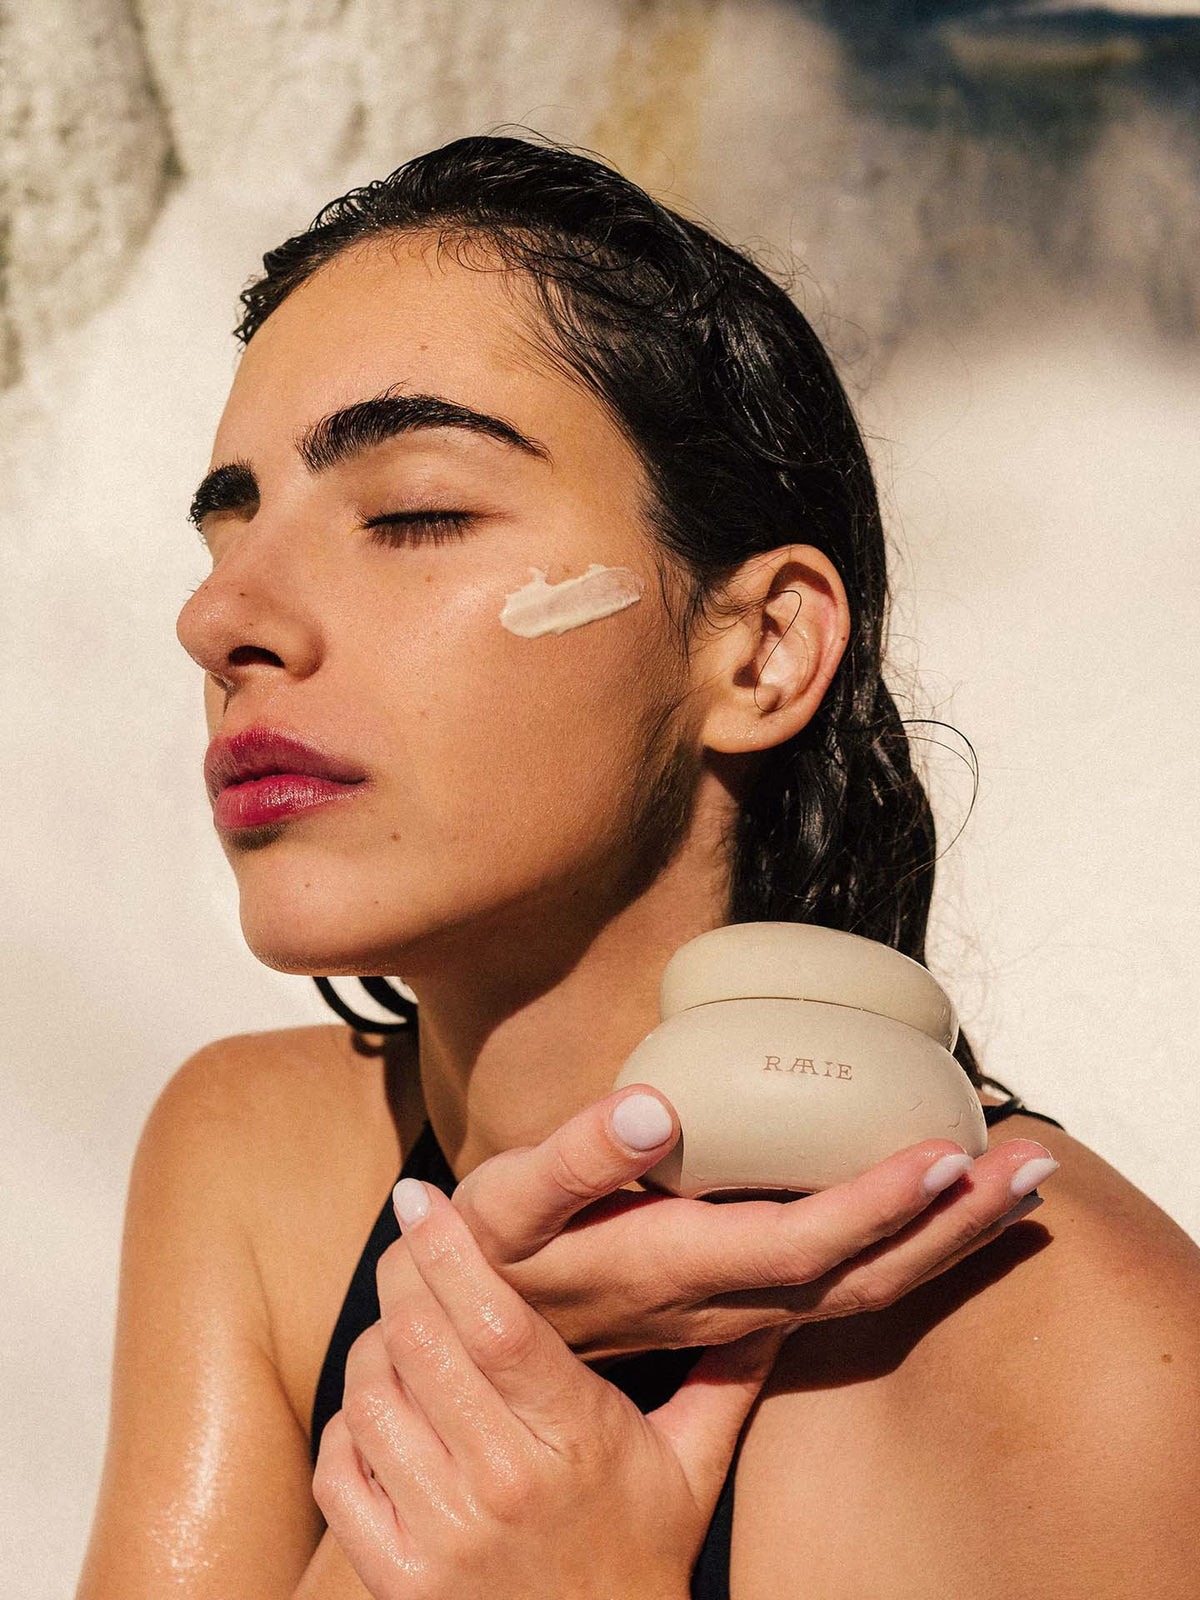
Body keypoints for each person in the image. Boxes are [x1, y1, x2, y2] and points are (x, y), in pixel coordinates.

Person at [77, 132, 1200, 1599]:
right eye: (232, 529)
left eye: (414, 511)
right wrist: (458, 1385)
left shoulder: (1079, 1361)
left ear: (760, 650)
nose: (223, 618)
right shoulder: (249, 1172)